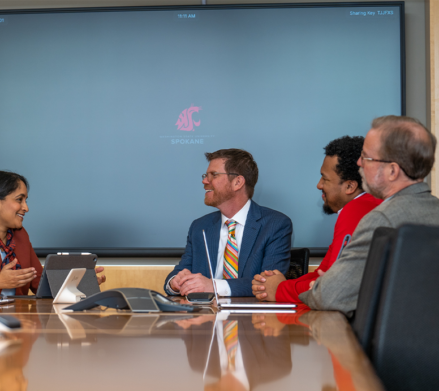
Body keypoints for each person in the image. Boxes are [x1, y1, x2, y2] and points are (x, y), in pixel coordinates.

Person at [300, 116, 439, 314]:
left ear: (392, 171)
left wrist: (317, 287)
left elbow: (329, 296)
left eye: (366, 158)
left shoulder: (381, 220)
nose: (359, 163)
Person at [251, 136, 382, 303]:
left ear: (350, 186)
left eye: (325, 179)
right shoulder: (366, 206)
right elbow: (323, 272)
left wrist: (279, 289)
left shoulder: (355, 210)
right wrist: (277, 285)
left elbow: (331, 286)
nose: (319, 185)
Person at [0, 170, 106, 299]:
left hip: (20, 321)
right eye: (19, 199)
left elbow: (39, 284)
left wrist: (76, 284)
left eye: (25, 200)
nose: (26, 208)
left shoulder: (20, 236)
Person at [164, 149, 293, 298]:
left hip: (253, 318)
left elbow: (268, 284)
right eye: (206, 175)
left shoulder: (275, 225)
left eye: (214, 175)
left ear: (237, 182)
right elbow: (179, 272)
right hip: (203, 316)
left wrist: (214, 286)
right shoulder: (200, 227)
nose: (205, 181)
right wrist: (175, 282)